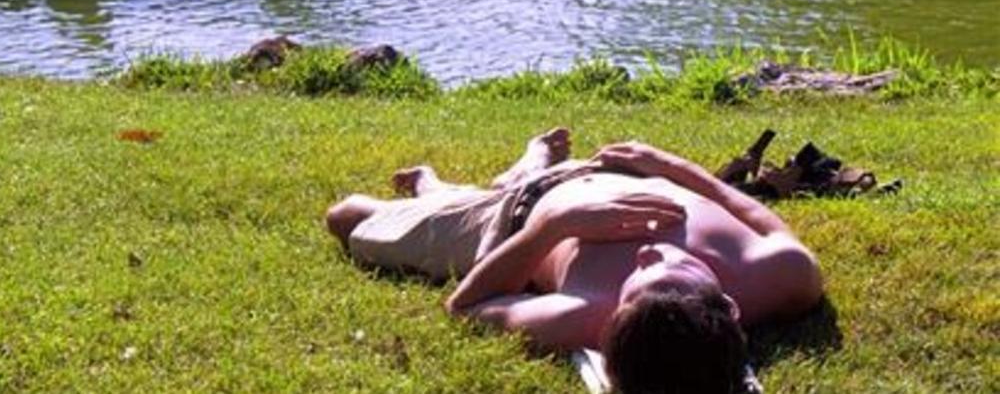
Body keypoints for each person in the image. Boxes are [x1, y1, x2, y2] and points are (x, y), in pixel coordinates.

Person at [326, 129, 824, 394]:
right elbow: (756, 213)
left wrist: (557, 226)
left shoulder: (582, 312)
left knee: (347, 216)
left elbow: (464, 306)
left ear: (611, 321)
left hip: (511, 221)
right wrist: (669, 167)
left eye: (638, 278)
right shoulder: (783, 275)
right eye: (675, 266)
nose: (650, 252)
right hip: (593, 171)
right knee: (502, 186)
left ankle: (440, 183)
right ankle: (529, 163)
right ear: (731, 306)